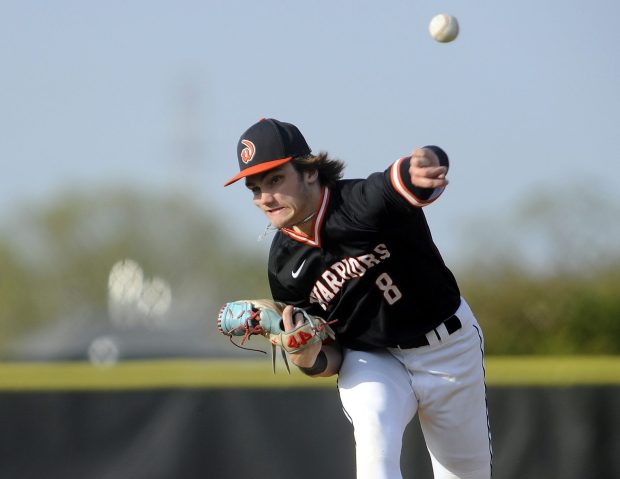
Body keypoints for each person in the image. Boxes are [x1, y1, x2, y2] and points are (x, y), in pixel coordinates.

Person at [224, 118, 492, 479]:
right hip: (374, 360)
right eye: (254, 188)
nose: (265, 198)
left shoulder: (360, 202)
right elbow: (329, 354)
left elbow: (407, 180)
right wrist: (308, 357)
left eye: (275, 180)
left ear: (309, 172)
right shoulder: (283, 264)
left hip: (448, 350)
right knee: (373, 448)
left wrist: (426, 161)